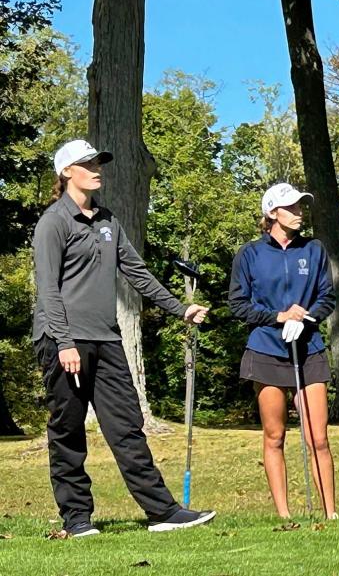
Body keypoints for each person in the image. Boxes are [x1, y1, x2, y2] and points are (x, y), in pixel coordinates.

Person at [32, 139, 216, 537]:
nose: (97, 168)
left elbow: (137, 272)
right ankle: (77, 519)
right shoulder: (54, 222)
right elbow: (47, 289)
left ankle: (162, 512)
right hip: (63, 340)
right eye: (87, 163)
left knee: (127, 426)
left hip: (106, 339)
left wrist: (180, 309)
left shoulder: (107, 220)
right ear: (67, 172)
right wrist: (64, 343)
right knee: (68, 430)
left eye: (98, 161)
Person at [227, 183, 337, 519]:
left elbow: (326, 297)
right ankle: (285, 516)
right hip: (266, 349)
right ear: (273, 213)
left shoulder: (314, 250)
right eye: (292, 208)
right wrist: (277, 317)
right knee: (274, 435)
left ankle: (331, 513)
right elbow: (238, 304)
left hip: (309, 348)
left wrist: (306, 316)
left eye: (302, 207)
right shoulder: (250, 254)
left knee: (318, 436)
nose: (300, 213)